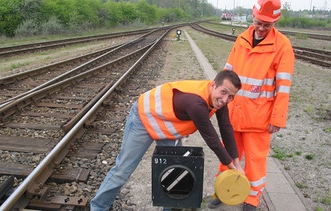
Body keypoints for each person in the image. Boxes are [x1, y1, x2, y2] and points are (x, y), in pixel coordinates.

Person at [90, 70, 244, 211]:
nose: (225, 99)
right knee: (123, 169)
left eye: (231, 96)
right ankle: (98, 207)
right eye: (223, 92)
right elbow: (212, 139)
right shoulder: (196, 103)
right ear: (213, 85)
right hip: (143, 118)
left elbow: (226, 129)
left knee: (174, 171)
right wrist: (231, 166)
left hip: (166, 127)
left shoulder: (219, 99)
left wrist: (236, 162)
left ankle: (168, 209)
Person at [208, 0, 295, 211]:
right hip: (234, 112)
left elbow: (283, 87)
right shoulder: (242, 39)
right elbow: (227, 72)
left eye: (267, 25)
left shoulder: (282, 46)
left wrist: (277, 118)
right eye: (258, 23)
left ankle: (252, 199)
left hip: (260, 117)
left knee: (256, 160)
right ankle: (223, 189)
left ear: (275, 22)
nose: (262, 28)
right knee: (228, 153)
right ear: (252, 16)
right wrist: (216, 101)